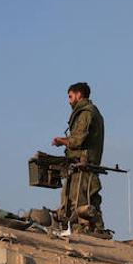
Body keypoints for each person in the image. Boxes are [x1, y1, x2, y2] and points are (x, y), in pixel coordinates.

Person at [51, 82, 105, 231]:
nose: (69, 101)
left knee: (78, 202)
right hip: (83, 165)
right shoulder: (92, 112)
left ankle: (83, 231)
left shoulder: (86, 113)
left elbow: (77, 140)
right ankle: (95, 230)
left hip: (83, 166)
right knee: (87, 200)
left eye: (70, 96)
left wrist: (61, 141)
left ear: (79, 95)